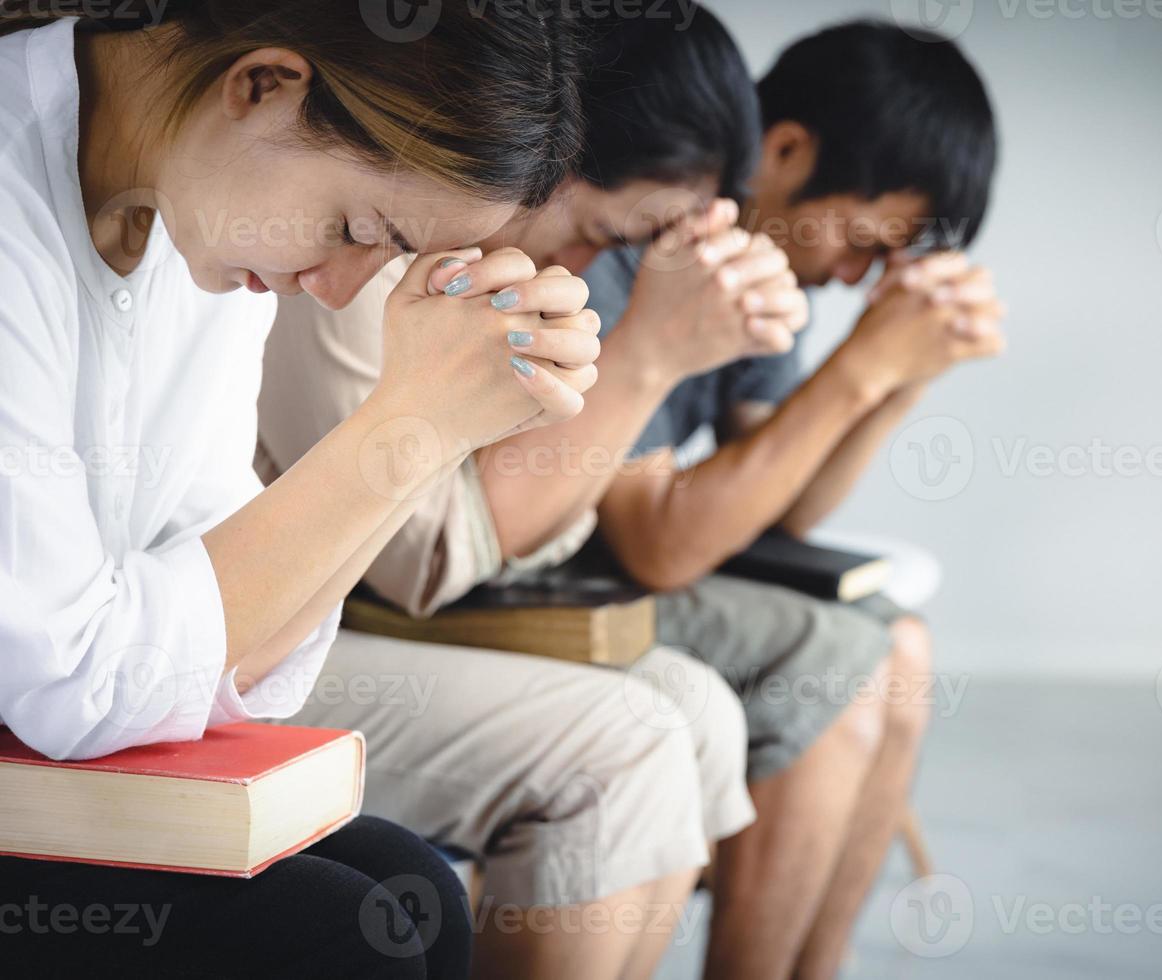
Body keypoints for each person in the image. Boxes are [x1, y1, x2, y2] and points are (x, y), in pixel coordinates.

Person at [0, 3, 595, 976]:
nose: (335, 285)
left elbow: (224, 627)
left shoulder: (202, 223)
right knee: (336, 935)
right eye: (357, 225)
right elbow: (79, 677)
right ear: (264, 85)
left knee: (413, 891)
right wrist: (411, 427)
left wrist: (444, 423)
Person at [252, 9, 777, 980]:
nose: (588, 267)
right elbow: (425, 563)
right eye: (599, 234)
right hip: (276, 634)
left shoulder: (498, 267)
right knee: (622, 746)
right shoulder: (362, 248)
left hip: (323, 623)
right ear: (551, 158)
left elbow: (525, 530)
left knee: (696, 705)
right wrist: (649, 354)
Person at [576, 20, 1007, 978]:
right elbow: (657, 548)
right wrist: (858, 369)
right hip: (562, 574)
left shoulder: (774, 268)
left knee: (905, 646)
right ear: (785, 148)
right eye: (859, 240)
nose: (852, 277)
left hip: (630, 566)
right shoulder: (638, 234)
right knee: (848, 676)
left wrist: (900, 376)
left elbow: (786, 510)